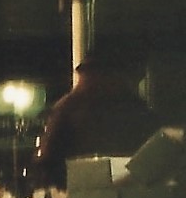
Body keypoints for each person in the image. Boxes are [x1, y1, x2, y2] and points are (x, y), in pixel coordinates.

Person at [33, 45, 161, 189]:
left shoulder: (68, 108)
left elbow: (46, 160)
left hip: (105, 195)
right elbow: (48, 160)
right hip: (91, 195)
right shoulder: (70, 108)